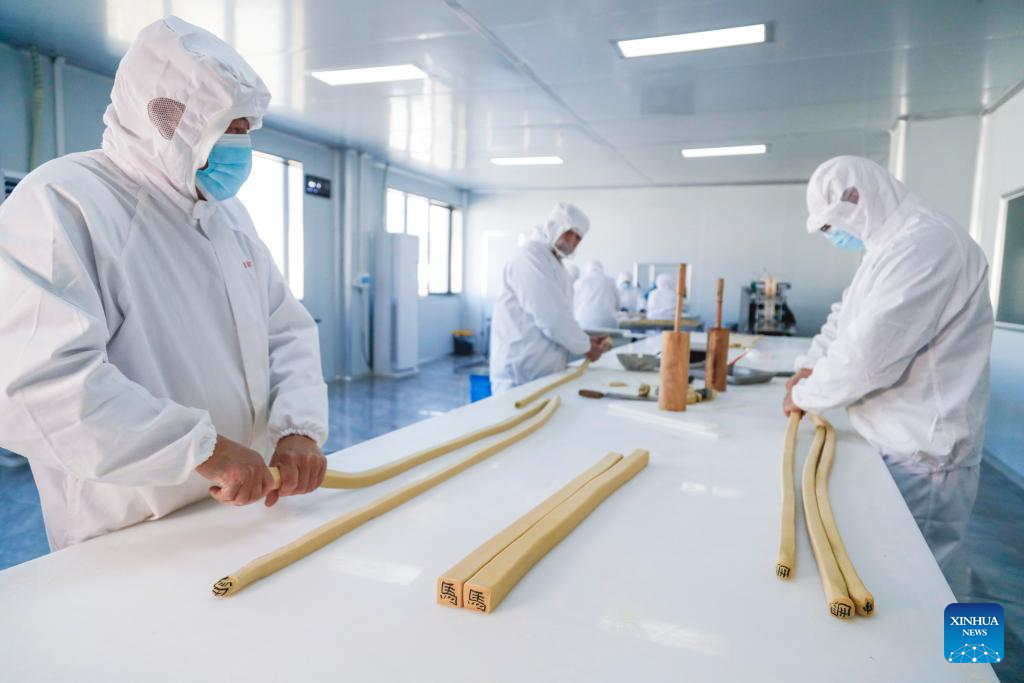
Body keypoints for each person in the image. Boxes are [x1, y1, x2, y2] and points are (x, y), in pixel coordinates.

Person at [0, 17, 329, 550]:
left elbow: (285, 330)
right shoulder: (65, 202)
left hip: (240, 507)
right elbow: (35, 383)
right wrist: (200, 449)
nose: (241, 142)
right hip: (129, 532)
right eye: (226, 125)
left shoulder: (229, 219)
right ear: (166, 119)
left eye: (245, 125)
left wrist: (298, 428)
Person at [784, 156, 993, 573]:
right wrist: (808, 366)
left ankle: (957, 622)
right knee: (890, 575)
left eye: (830, 226)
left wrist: (805, 395)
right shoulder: (888, 247)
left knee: (923, 582)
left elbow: (866, 359)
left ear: (855, 199)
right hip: (893, 441)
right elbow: (844, 320)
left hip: (924, 454)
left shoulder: (925, 244)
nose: (832, 235)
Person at [489, 203, 607, 394]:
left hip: (543, 373)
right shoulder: (530, 257)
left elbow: (561, 316)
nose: (573, 240)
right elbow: (552, 317)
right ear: (554, 226)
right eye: (569, 232)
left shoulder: (555, 263)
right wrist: (586, 346)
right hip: (520, 376)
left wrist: (585, 339)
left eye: (578, 237)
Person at [574, 260, 619, 330]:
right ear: (601, 269)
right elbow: (618, 304)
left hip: (583, 322)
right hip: (608, 322)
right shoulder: (611, 281)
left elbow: (573, 304)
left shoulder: (580, 282)